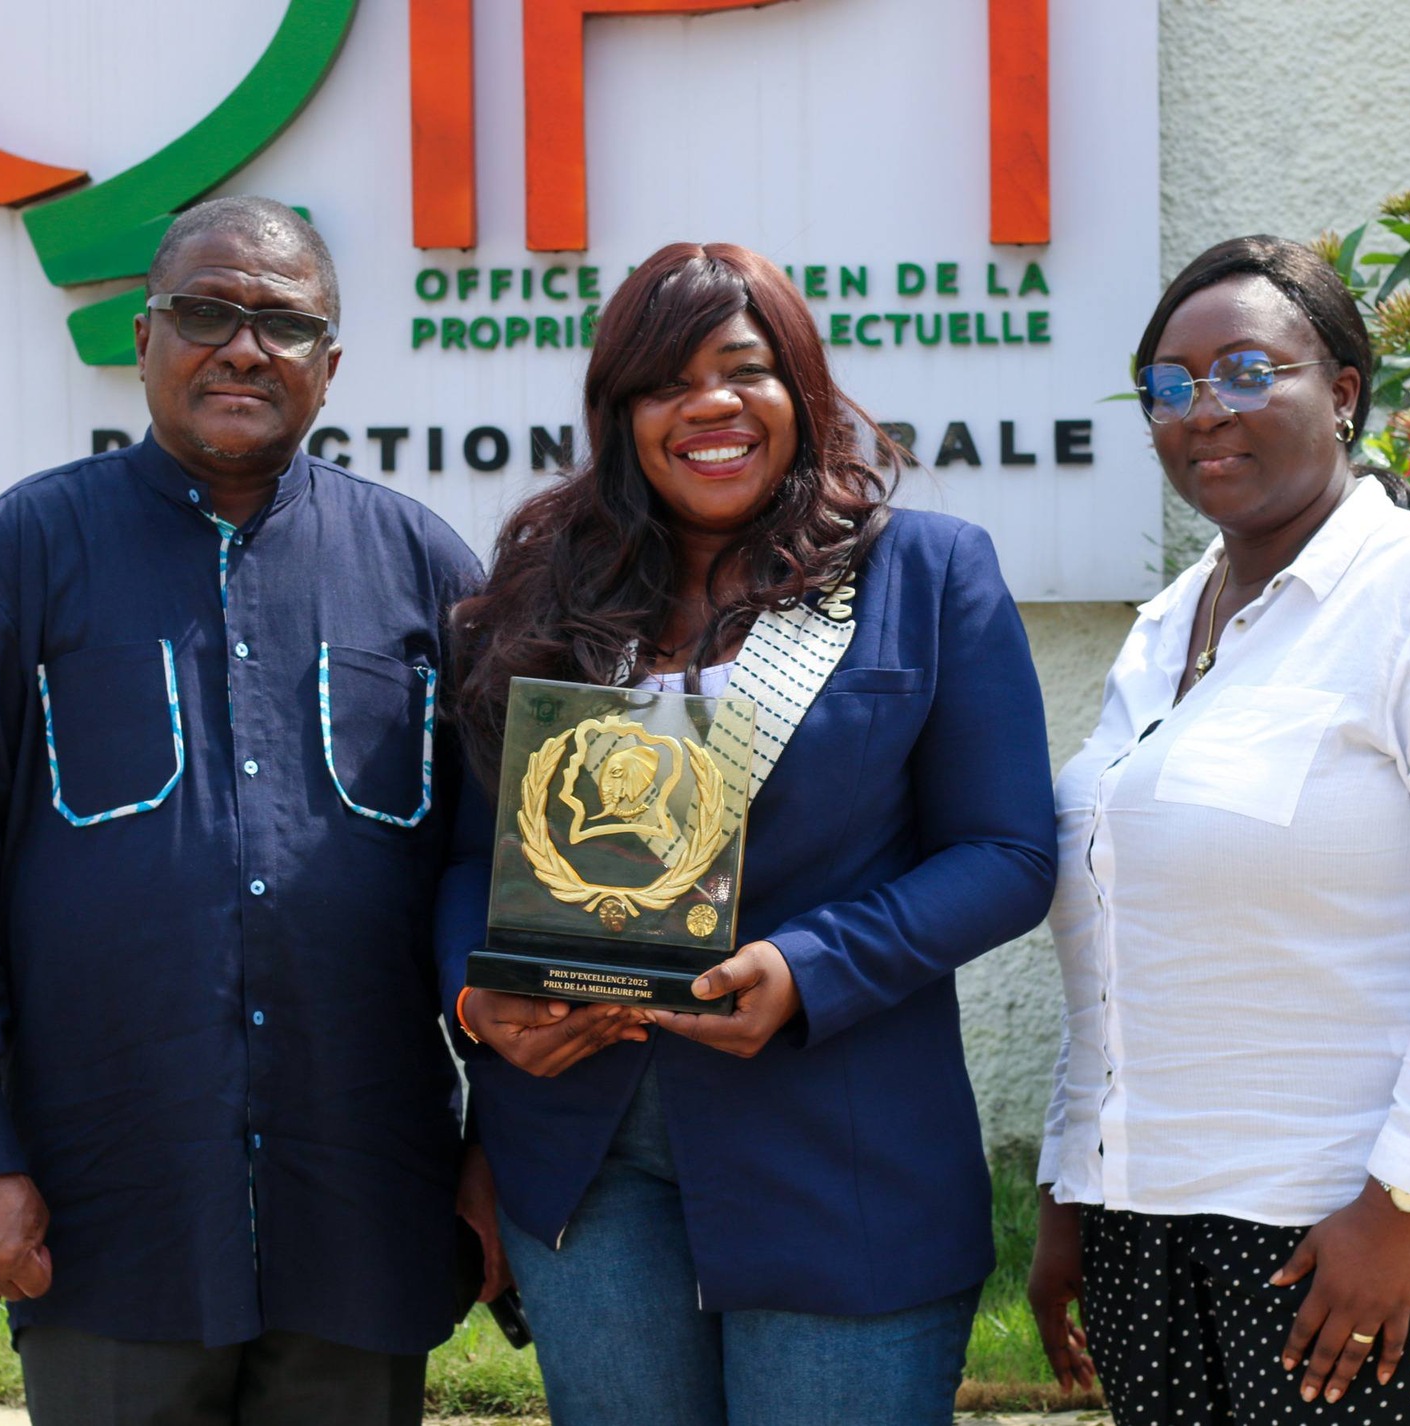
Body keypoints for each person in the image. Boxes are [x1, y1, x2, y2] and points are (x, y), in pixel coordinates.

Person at [0, 196, 499, 1426]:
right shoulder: (15, 560)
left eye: (283, 323)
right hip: (112, 1204)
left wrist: (498, 1145)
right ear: (145, 339)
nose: (243, 348)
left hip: (365, 1202)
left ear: (330, 363)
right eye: (206, 312)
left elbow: (487, 879)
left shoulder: (425, 574)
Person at [435, 242, 1057, 1425]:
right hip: (582, 1151)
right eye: (664, 383)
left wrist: (808, 966)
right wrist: (478, 997)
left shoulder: (919, 575)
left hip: (835, 1143)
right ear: (619, 414)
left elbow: (1006, 854)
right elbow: (476, 854)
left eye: (742, 369)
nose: (708, 405)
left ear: (800, 389)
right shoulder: (537, 599)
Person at [1028, 235, 1410, 1425]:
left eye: (1244, 371)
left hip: (1348, 1222)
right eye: (1167, 387)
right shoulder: (1165, 625)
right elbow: (1118, 928)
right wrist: (1068, 1186)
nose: (1200, 410)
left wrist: (1400, 1205)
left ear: (1340, 391)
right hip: (1142, 1227)